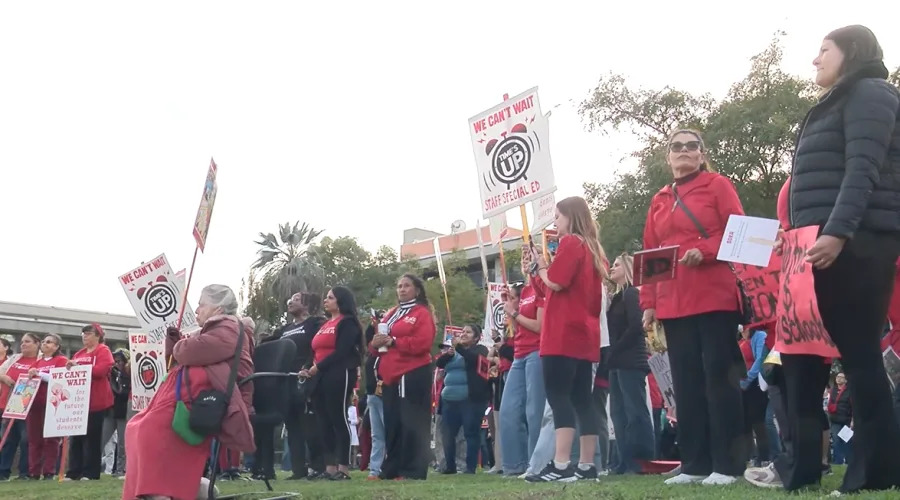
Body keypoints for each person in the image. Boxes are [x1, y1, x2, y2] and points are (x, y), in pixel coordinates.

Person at [746, 25, 900, 494]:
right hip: (810, 246)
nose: (815, 60)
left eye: (824, 50)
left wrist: (838, 232)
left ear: (850, 52)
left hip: (857, 243)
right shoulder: (834, 102)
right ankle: (800, 471)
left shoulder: (873, 94)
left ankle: (874, 474)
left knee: (858, 357)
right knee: (798, 362)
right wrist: (792, 236)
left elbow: (863, 170)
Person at [641, 129, 747, 486]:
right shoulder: (659, 198)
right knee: (685, 384)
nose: (683, 151)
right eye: (676, 147)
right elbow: (651, 255)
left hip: (713, 295)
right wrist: (649, 304)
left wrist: (705, 250)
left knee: (719, 379)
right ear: (667, 156)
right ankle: (695, 463)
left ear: (701, 154)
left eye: (691, 146)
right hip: (673, 302)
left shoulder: (718, 185)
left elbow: (739, 232)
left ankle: (728, 465)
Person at [122, 284, 255, 500]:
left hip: (202, 400)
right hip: (187, 396)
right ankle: (165, 488)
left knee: (148, 428)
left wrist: (179, 346)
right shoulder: (215, 329)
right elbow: (185, 352)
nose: (197, 310)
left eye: (202, 305)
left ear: (218, 309)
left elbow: (189, 351)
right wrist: (176, 342)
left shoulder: (229, 329)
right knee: (137, 426)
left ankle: (162, 490)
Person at [528, 196, 606, 482]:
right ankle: (586, 466)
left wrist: (543, 267)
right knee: (582, 400)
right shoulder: (594, 248)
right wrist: (539, 273)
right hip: (585, 335)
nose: (555, 223)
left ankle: (561, 464)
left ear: (570, 217)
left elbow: (557, 281)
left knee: (559, 397)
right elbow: (555, 290)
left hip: (562, 335)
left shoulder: (571, 243)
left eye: (558, 217)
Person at [370, 274, 436, 480]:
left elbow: (423, 343)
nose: (402, 289)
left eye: (407, 286)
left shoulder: (422, 313)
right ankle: (392, 468)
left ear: (417, 290)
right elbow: (380, 345)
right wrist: (375, 342)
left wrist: (394, 341)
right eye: (399, 286)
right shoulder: (391, 314)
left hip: (413, 372)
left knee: (412, 422)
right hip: (390, 376)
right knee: (393, 423)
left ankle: (413, 470)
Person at [302, 286, 365, 480]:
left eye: (330, 298)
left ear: (340, 301)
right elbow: (315, 350)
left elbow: (342, 351)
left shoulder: (348, 323)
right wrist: (307, 367)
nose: (326, 301)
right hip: (318, 375)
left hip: (338, 373)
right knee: (323, 421)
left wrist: (318, 367)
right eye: (326, 298)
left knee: (338, 418)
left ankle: (343, 468)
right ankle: (329, 467)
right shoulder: (324, 324)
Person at [265, 292, 326, 480]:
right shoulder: (284, 329)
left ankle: (318, 466)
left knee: (310, 425)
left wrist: (308, 367)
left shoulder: (315, 324)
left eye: (297, 299)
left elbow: (318, 347)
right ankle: (298, 470)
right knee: (292, 426)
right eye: (289, 299)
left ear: (307, 305)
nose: (290, 302)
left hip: (306, 379)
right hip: (285, 382)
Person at [606, 254, 655, 474]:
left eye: (616, 265)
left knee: (634, 410)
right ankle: (624, 460)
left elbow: (636, 326)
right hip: (617, 362)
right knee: (618, 412)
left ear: (627, 268)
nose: (611, 268)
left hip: (630, 360)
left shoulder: (631, 293)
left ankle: (641, 459)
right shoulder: (617, 298)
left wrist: (615, 348)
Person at [498, 272, 545, 478]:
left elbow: (539, 326)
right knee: (508, 411)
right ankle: (514, 465)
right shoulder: (524, 291)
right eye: (523, 257)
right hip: (519, 354)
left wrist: (514, 313)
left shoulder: (541, 289)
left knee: (534, 411)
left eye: (529, 256)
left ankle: (536, 464)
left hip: (537, 351)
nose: (525, 261)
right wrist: (511, 310)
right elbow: (519, 328)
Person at [435, 325, 490, 474]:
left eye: (468, 332)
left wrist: (459, 348)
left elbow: (474, 361)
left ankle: (470, 467)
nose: (464, 334)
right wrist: (449, 354)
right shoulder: (454, 352)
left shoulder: (480, 350)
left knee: (470, 433)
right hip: (449, 399)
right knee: (447, 433)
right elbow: (439, 363)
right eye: (463, 332)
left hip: (469, 399)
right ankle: (449, 466)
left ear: (476, 337)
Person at [65, 323, 115, 481]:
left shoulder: (103, 350)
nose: (84, 336)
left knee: (92, 437)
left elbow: (101, 370)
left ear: (98, 336)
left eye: (88, 333)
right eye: (83, 333)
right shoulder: (79, 353)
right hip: (78, 401)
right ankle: (74, 471)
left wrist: (79, 366)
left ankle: (90, 472)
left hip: (96, 400)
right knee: (76, 438)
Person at [26, 334, 68, 479]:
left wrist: (40, 375)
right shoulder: (38, 362)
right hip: (35, 404)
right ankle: (34, 471)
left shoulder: (61, 360)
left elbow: (61, 378)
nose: (45, 344)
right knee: (34, 439)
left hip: (52, 404)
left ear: (57, 347)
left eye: (49, 342)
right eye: (43, 342)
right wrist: (31, 373)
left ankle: (49, 471)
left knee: (51, 439)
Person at [0, 333, 39, 480]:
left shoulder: (39, 360)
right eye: (22, 342)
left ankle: (25, 472)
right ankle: (3, 472)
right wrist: (4, 377)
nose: (23, 344)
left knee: (26, 440)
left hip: (28, 407)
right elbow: (0, 371)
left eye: (27, 342)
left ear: (37, 344)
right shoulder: (15, 358)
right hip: (9, 404)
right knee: (7, 440)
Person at [739, 327, 771, 467]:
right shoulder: (739, 339)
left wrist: (747, 379)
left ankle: (764, 456)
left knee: (758, 421)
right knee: (745, 422)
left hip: (755, 384)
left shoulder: (759, 335)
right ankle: (749, 456)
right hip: (740, 385)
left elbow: (760, 359)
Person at [363, 311, 386, 480]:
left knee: (389, 431)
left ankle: (392, 466)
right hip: (372, 394)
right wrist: (373, 325)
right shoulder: (372, 355)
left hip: (386, 394)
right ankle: (374, 469)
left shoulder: (386, 353)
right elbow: (367, 338)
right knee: (376, 435)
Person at [101, 348, 131, 477]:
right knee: (101, 439)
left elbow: (123, 393)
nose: (116, 364)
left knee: (123, 443)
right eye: (114, 361)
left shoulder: (128, 375)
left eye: (119, 361)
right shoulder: (110, 374)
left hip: (123, 411)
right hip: (109, 411)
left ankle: (121, 469)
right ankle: (90, 468)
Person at [827, 373, 852, 465]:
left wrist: (853, 420)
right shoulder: (833, 390)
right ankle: (838, 461)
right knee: (836, 439)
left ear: (845, 380)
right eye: (838, 377)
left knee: (846, 440)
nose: (839, 379)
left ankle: (849, 461)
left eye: (841, 377)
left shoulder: (849, 391)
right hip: (835, 419)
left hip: (846, 419)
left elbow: (853, 406)